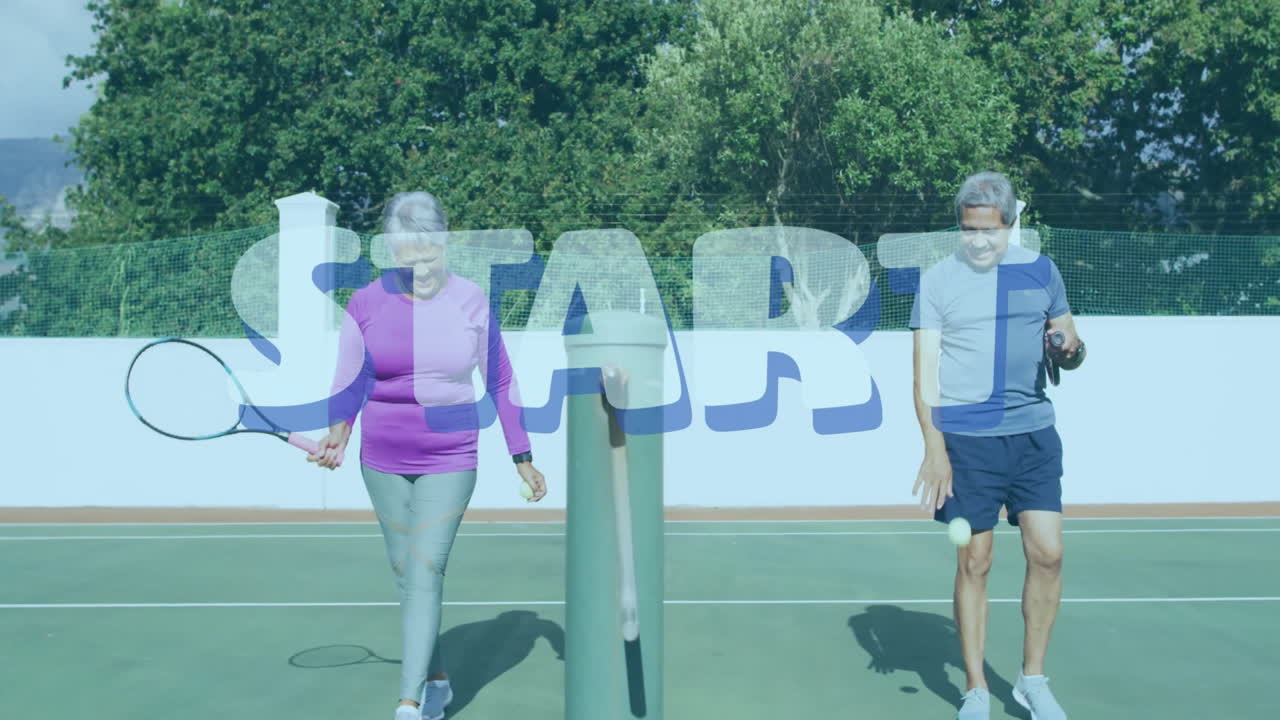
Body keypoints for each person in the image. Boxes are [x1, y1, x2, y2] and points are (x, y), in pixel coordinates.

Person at [307, 191, 548, 720]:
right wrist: (337, 435)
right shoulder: (365, 303)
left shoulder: (471, 301)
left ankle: (408, 704)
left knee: (426, 567)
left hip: (451, 456)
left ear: (445, 241)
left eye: (427, 255)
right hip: (382, 460)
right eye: (405, 257)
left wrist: (521, 454)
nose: (417, 267)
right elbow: (349, 382)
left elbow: (501, 380)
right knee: (408, 575)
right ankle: (436, 681)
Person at [909, 172, 1082, 720]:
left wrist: (1070, 348)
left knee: (1048, 554)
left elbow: (1070, 346)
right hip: (968, 442)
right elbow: (923, 377)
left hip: (1033, 435)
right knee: (975, 562)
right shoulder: (938, 281)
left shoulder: (1041, 270)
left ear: (1010, 224)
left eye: (989, 230)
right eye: (968, 229)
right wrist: (935, 450)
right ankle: (976, 688)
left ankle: (1033, 680)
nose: (978, 240)